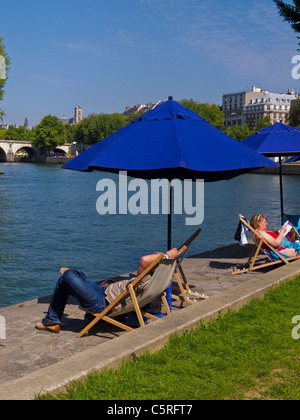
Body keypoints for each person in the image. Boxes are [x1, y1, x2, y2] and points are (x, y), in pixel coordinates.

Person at [36, 248, 180, 334]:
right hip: (104, 291)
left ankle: (53, 319)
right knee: (65, 281)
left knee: (67, 276)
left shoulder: (144, 279)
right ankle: (52, 320)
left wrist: (167, 254)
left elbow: (144, 260)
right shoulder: (161, 278)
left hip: (102, 303)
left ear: (153, 266)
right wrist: (171, 257)